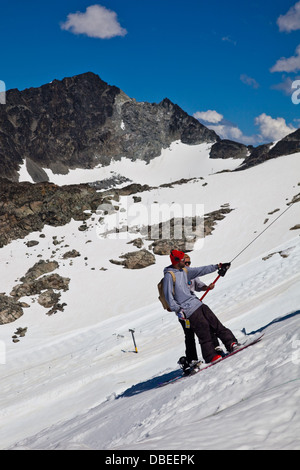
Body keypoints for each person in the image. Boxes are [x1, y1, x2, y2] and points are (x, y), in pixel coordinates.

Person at [163, 249, 238, 364]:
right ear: (177, 260)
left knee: (216, 324)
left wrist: (217, 266)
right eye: (183, 259)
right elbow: (168, 297)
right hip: (188, 310)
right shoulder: (169, 276)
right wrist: (178, 310)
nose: (186, 262)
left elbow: (200, 270)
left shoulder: (184, 270)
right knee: (204, 332)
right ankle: (210, 356)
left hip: (198, 303)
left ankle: (231, 343)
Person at [178, 254, 225, 367]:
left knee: (207, 325)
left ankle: (215, 348)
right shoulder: (178, 277)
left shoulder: (191, 274)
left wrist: (207, 287)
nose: (188, 265)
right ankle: (191, 360)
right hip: (184, 312)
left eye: (189, 263)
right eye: (186, 263)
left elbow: (199, 286)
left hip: (195, 306)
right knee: (189, 335)